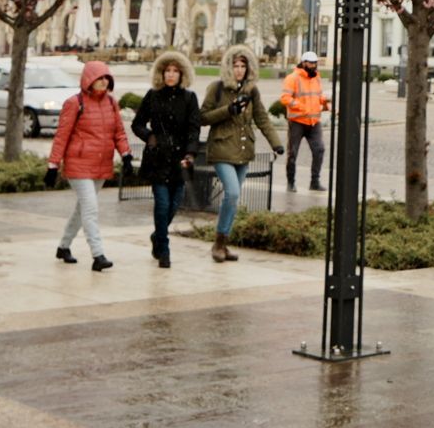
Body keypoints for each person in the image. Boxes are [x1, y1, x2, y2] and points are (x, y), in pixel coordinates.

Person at [200, 47, 283, 262]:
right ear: (229, 67)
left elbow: (262, 118)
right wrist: (228, 110)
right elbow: (202, 117)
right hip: (221, 149)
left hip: (244, 151)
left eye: (242, 66)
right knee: (233, 193)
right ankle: (218, 243)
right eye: (235, 65)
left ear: (248, 68)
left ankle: (223, 244)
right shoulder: (216, 88)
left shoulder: (251, 91)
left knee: (233, 200)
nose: (239, 70)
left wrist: (276, 144)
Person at [47, 60, 129, 271]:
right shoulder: (75, 103)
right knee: (90, 209)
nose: (102, 82)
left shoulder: (111, 103)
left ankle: (63, 246)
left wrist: (126, 154)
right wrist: (53, 165)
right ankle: (98, 254)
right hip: (78, 164)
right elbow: (61, 136)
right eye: (98, 78)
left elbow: (118, 132)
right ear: (88, 80)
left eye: (106, 78)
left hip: (101, 164)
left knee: (82, 208)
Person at [131, 52, 201, 268]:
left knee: (174, 204)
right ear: (162, 73)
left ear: (182, 74)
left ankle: (157, 236)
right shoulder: (153, 96)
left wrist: (190, 153)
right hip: (158, 158)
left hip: (179, 158)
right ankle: (164, 248)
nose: (171, 75)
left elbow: (193, 128)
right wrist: (149, 136)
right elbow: (137, 123)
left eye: (175, 71)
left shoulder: (189, 98)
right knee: (162, 204)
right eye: (167, 71)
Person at [280, 50, 328, 193]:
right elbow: (285, 98)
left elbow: (318, 97)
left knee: (319, 150)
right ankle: (291, 182)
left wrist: (326, 103)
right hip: (297, 122)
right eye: (310, 63)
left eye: (315, 63)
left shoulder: (317, 79)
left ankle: (315, 181)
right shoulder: (292, 78)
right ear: (303, 63)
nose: (313, 66)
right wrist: (301, 107)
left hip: (314, 122)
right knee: (292, 153)